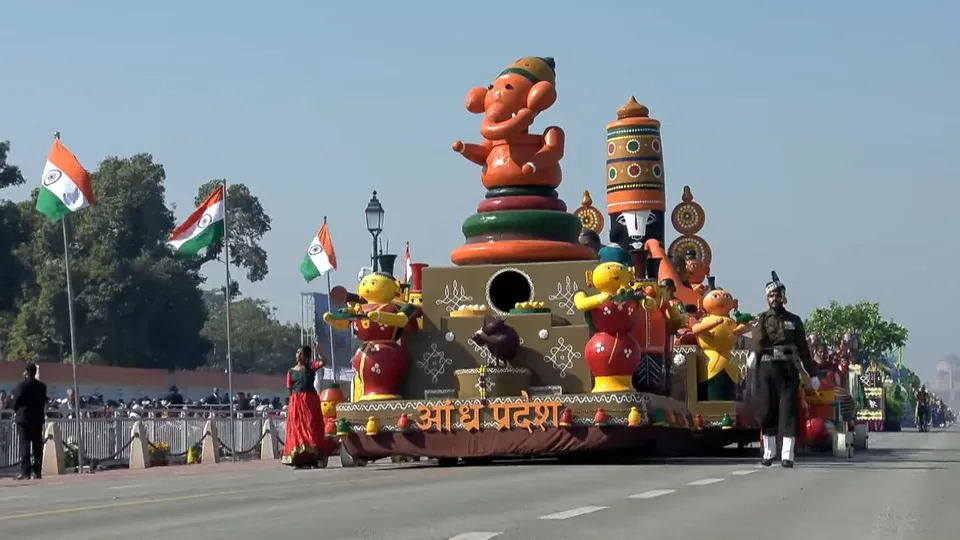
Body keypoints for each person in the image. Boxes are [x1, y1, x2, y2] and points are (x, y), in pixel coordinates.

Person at [748, 271, 818, 468]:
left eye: (777, 295)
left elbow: (803, 349)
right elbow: (758, 340)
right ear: (767, 298)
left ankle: (787, 455)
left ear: (783, 297)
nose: (774, 299)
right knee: (767, 410)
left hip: (788, 368)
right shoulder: (762, 319)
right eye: (771, 296)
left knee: (789, 411)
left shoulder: (794, 320)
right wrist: (754, 355)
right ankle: (769, 453)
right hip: (767, 367)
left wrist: (811, 373)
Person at [282, 345, 333, 468]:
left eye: (301, 353)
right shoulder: (291, 372)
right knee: (297, 430)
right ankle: (300, 459)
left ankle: (313, 458)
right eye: (297, 353)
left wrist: (319, 350)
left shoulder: (310, 367)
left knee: (311, 428)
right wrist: (291, 405)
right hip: (296, 403)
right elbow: (289, 390)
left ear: (306, 356)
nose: (298, 355)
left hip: (310, 402)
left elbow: (324, 362)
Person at [12, 362, 48, 480]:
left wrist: (16, 409)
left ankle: (25, 472)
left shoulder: (21, 386)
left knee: (25, 445)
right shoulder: (42, 387)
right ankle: (37, 471)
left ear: (27, 372)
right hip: (37, 418)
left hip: (24, 418)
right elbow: (43, 402)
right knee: (37, 446)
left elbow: (15, 401)